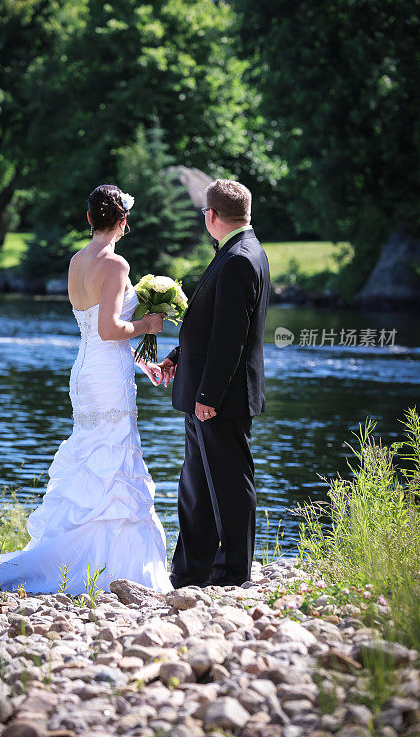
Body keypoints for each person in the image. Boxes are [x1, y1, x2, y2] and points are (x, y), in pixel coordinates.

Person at [0, 184, 172, 595]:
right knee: (114, 454)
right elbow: (110, 329)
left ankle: (78, 557)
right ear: (121, 222)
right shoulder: (116, 265)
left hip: (85, 371)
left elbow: (95, 333)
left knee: (92, 450)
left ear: (88, 219)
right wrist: (149, 326)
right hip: (107, 375)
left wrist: (143, 361)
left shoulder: (75, 262)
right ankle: (113, 567)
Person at [160, 179, 271, 589]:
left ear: (211, 216)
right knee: (197, 488)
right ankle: (192, 573)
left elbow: (231, 338)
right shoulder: (237, 251)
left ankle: (232, 575)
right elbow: (211, 326)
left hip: (220, 398)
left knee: (228, 486)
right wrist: (178, 356)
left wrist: (209, 396)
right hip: (204, 391)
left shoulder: (241, 258)